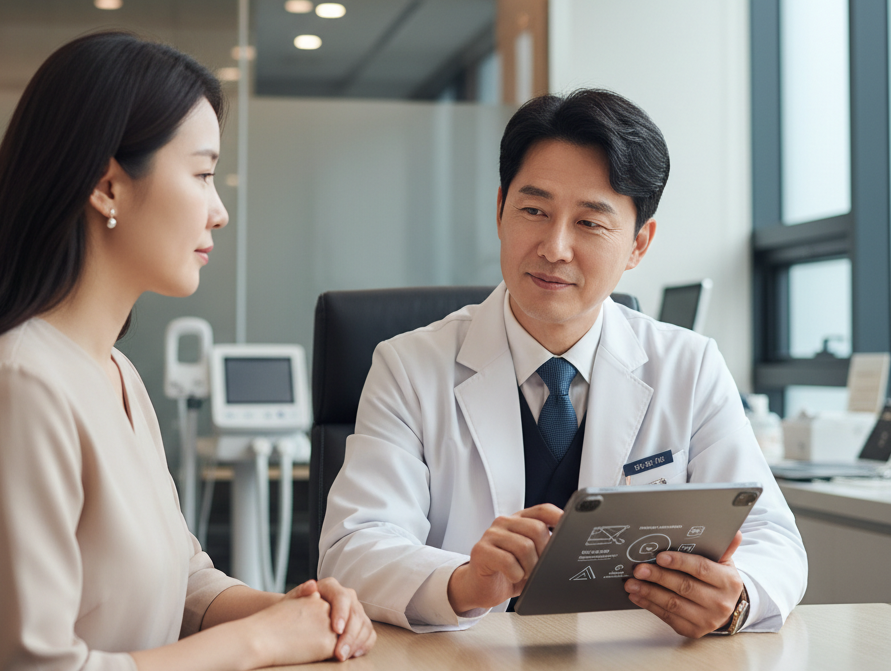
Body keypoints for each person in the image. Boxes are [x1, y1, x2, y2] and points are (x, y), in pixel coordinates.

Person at [0, 32, 375, 671]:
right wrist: (261, 642)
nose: (219, 212)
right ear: (108, 187)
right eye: (203, 175)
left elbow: (180, 577)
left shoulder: (114, 374)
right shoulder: (11, 387)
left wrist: (295, 610)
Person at [319, 89, 806, 639]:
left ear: (638, 244)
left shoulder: (689, 366)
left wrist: (737, 599)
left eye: (590, 223)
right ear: (500, 210)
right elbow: (353, 548)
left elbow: (772, 538)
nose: (554, 247)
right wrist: (462, 582)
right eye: (534, 210)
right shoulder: (409, 366)